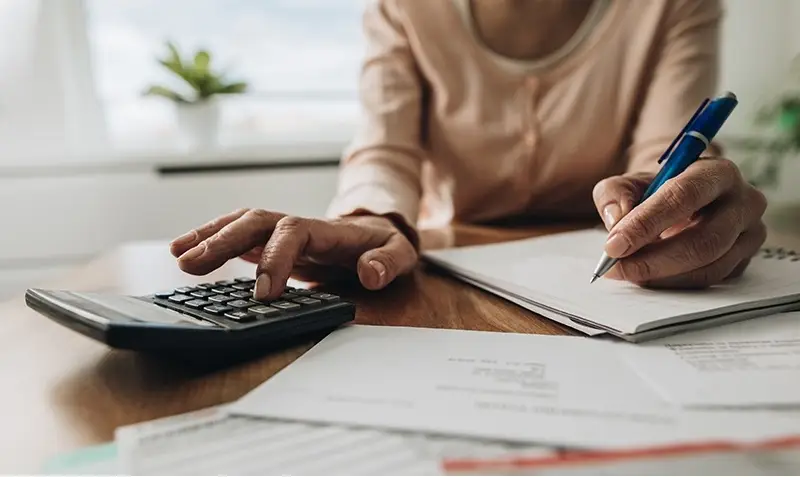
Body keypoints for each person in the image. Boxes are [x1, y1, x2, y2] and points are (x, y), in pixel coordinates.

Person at [170, 0, 767, 302]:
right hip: (449, 270)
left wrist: (679, 200)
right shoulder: (404, 7)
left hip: (612, 271)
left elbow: (664, 154)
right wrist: (370, 218)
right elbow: (385, 150)